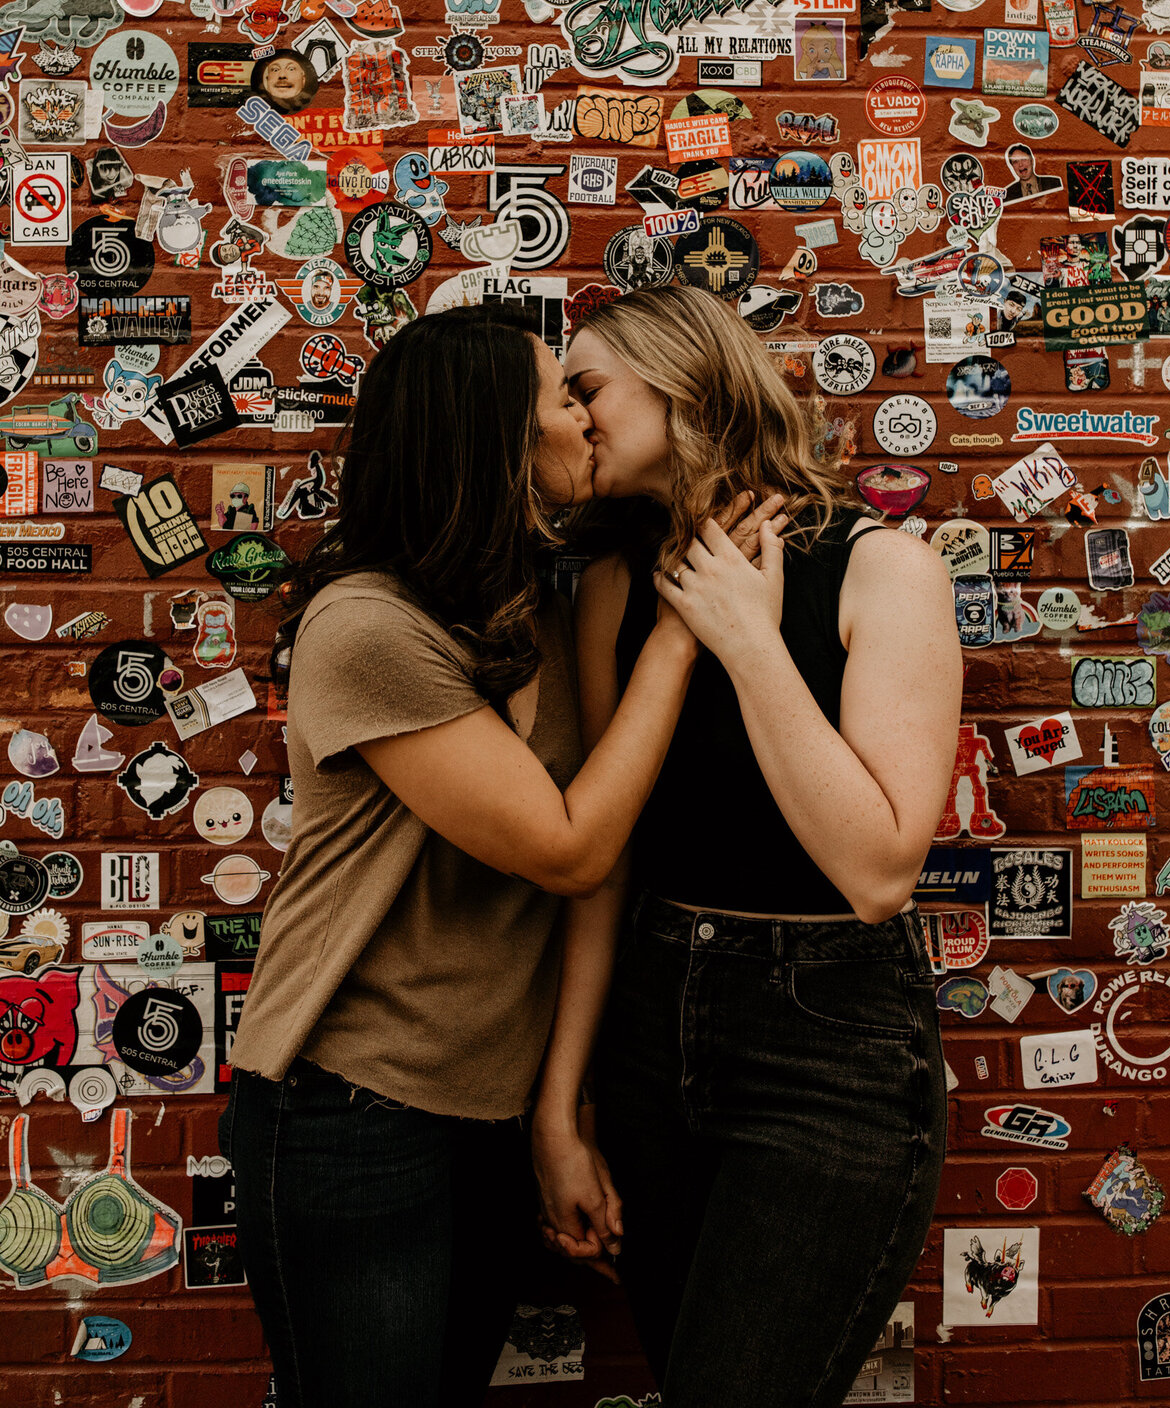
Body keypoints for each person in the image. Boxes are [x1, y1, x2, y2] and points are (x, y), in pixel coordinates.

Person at [220, 306, 764, 1408]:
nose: (582, 415)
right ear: (493, 441)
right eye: (560, 398)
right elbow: (568, 850)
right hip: (352, 1102)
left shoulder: (537, 603)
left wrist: (560, 1117)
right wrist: (679, 635)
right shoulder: (370, 628)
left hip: (487, 1108)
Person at [533, 285, 961, 1408]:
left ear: (684, 383)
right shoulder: (614, 587)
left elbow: (877, 873)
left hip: (827, 1045)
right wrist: (562, 1102)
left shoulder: (887, 572)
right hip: (649, 1024)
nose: (572, 420)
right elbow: (604, 859)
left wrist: (745, 641)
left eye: (588, 390)